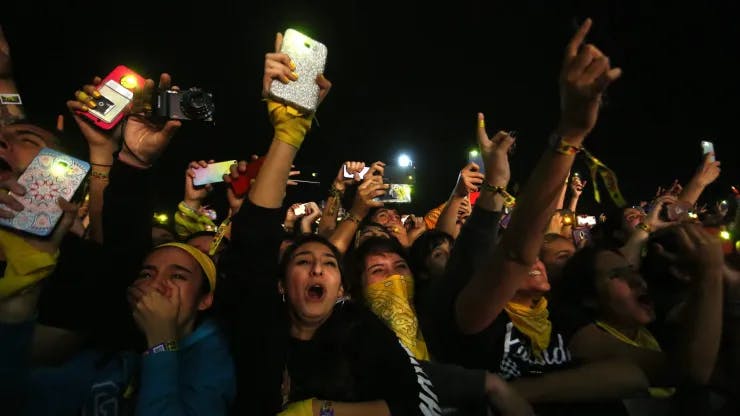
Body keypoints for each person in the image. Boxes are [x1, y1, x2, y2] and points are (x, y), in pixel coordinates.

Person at [216, 31, 440, 416]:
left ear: (342, 287)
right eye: (302, 262)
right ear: (282, 284)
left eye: (330, 263)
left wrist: (318, 411)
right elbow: (255, 240)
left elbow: (407, 401)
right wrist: (288, 135)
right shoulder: (257, 327)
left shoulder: (363, 334)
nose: (318, 267)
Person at [0, 240, 235, 415]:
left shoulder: (214, 363)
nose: (155, 285)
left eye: (178, 276)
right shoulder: (113, 357)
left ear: (205, 300)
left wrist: (161, 343)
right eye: (146, 274)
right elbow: (17, 398)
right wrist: (17, 309)